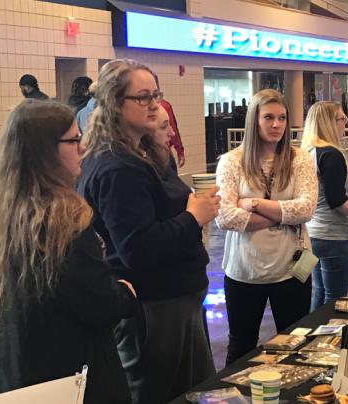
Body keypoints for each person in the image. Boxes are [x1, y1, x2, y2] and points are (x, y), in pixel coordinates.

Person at [0, 100, 137, 404]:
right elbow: (99, 306)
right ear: (43, 151)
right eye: (73, 140)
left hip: (12, 379)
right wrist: (125, 294)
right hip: (70, 381)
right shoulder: (63, 221)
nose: (82, 148)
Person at [77, 59, 218, 404]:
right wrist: (193, 217)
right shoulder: (117, 167)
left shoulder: (143, 151)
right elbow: (138, 250)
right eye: (143, 97)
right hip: (154, 308)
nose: (154, 104)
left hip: (176, 299)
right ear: (113, 103)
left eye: (156, 94)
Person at [216, 89, 317, 365]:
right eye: (268, 117)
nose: (276, 125)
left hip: (291, 269)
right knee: (241, 345)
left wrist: (254, 204)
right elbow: (225, 216)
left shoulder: (301, 160)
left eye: (282, 118)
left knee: (295, 346)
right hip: (245, 270)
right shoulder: (232, 162)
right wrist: (284, 212)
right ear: (254, 121)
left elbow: (306, 208)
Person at [301, 101, 348, 311]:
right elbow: (336, 199)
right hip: (333, 237)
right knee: (335, 300)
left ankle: (310, 338)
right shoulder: (330, 154)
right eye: (341, 119)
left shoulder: (309, 152)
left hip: (314, 234)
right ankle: (327, 341)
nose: (346, 123)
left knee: (320, 294)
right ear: (327, 122)